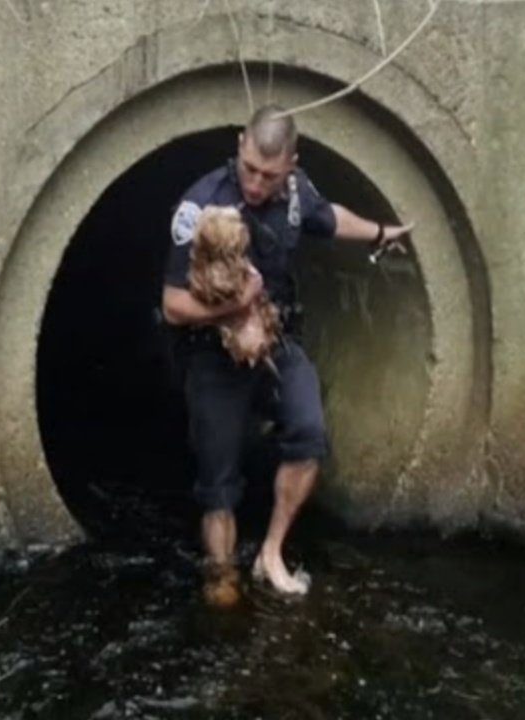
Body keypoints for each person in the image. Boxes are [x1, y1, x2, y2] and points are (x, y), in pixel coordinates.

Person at [161, 105, 412, 604]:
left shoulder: (296, 194)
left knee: (309, 432)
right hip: (214, 349)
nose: (256, 184)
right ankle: (222, 572)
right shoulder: (202, 206)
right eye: (251, 169)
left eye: (269, 175)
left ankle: (271, 553)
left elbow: (328, 217)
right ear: (240, 145)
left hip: (276, 336)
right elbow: (171, 306)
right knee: (219, 478)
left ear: (291, 165)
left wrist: (382, 232)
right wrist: (237, 304)